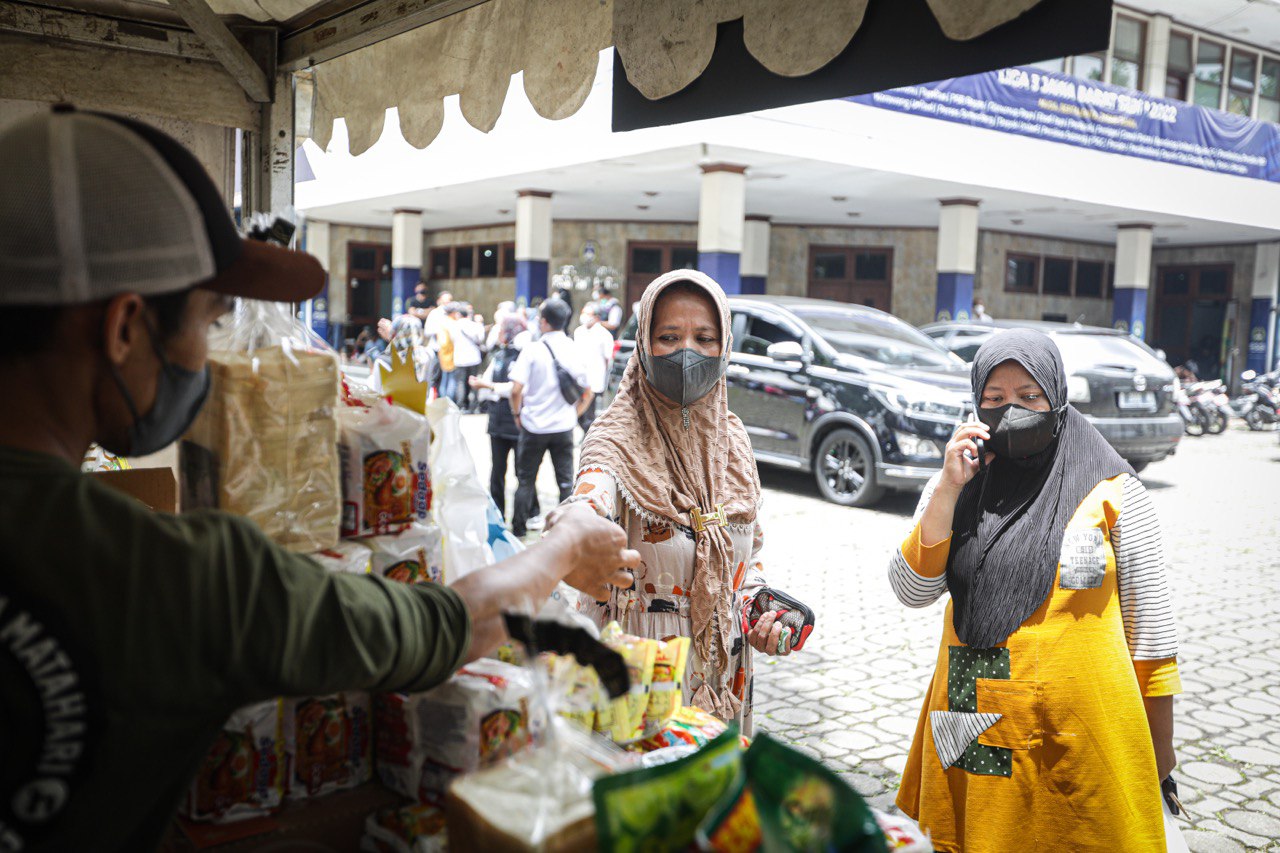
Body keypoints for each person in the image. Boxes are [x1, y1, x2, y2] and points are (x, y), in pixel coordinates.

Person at [0, 107, 639, 852]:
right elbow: (447, 626)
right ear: (123, 328)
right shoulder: (173, 577)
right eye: (208, 322)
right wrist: (564, 544)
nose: (207, 354)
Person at [887, 329, 1180, 852]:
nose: (1012, 412)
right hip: (975, 717)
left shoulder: (1112, 489)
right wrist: (950, 487)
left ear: (1057, 398)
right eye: (994, 400)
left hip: (1084, 731)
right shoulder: (959, 480)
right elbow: (912, 589)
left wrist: (1160, 756)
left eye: (1029, 397)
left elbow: (1151, 633)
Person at [557, 270, 801, 735]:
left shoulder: (733, 441)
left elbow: (748, 559)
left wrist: (759, 609)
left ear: (724, 347)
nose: (687, 351)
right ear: (644, 346)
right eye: (669, 336)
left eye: (704, 337)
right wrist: (568, 534)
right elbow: (590, 502)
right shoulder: (615, 438)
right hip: (641, 681)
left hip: (724, 673)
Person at [509, 298, 593, 537]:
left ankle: (518, 530)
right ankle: (566, 530)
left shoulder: (532, 350)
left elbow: (516, 390)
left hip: (533, 427)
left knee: (525, 480)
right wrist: (574, 413)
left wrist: (517, 414)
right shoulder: (574, 348)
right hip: (563, 428)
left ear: (544, 321)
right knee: (565, 481)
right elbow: (588, 390)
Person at [470, 314, 529, 518]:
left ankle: (525, 518)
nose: (500, 333)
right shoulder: (498, 355)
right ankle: (497, 516)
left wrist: (489, 386)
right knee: (497, 471)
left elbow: (517, 388)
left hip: (518, 421)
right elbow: (488, 386)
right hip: (497, 422)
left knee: (522, 473)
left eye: (503, 329)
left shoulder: (525, 355)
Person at [574, 303, 615, 433]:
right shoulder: (578, 331)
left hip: (594, 377)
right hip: (579, 377)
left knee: (589, 412)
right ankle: (587, 433)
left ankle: (589, 436)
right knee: (579, 412)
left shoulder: (604, 335)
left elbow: (608, 358)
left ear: (597, 317)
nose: (584, 316)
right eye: (583, 313)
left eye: (588, 314)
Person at [447, 303, 484, 411]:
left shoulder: (453, 325)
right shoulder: (474, 325)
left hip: (460, 358)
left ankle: (462, 405)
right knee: (474, 381)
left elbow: (452, 339)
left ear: (458, 314)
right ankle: (474, 405)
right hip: (474, 357)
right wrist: (480, 323)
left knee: (461, 382)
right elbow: (480, 338)